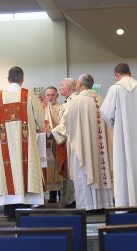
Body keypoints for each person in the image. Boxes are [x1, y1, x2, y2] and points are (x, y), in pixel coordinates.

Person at [0, 66, 45, 221]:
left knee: (9, 175)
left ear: (8, 79)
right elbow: (40, 118)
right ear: (22, 79)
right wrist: (37, 128)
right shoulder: (28, 95)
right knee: (27, 172)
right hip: (26, 144)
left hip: (6, 145)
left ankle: (11, 212)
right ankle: (25, 213)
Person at [52, 74, 113, 211]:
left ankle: (88, 206)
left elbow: (66, 122)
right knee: (100, 170)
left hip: (83, 146)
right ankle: (102, 204)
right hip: (100, 147)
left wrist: (54, 132)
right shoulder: (100, 98)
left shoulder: (77, 100)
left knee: (84, 172)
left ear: (79, 84)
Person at [100, 63, 137, 207]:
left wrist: (115, 125)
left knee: (123, 165)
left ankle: (126, 203)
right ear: (129, 73)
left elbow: (105, 112)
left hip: (123, 136)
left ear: (117, 75)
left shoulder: (115, 88)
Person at [53, 78, 78, 208]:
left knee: (72, 171)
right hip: (68, 140)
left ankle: (73, 199)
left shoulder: (72, 102)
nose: (60, 87)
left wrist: (51, 131)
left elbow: (65, 125)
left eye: (62, 85)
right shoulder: (69, 101)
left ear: (68, 88)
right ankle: (70, 199)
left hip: (72, 141)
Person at [43, 86, 63, 203]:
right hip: (47, 142)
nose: (50, 97)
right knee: (49, 168)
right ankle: (51, 195)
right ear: (45, 96)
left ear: (57, 95)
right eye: (48, 95)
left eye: (52, 95)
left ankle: (60, 193)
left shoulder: (62, 108)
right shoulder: (42, 109)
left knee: (59, 167)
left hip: (59, 141)